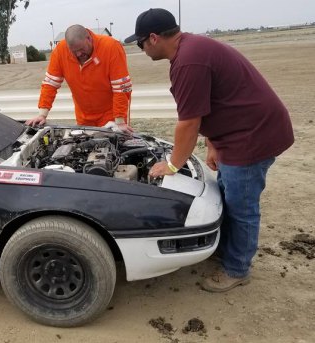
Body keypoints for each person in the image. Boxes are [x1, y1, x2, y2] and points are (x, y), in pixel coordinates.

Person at [126, 8, 294, 292]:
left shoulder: (189, 62)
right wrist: (213, 144)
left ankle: (237, 268)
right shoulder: (190, 50)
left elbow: (189, 123)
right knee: (227, 194)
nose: (140, 48)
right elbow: (214, 102)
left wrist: (171, 165)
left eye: (140, 43)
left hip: (252, 136)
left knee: (242, 207)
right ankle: (226, 249)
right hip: (238, 133)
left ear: (153, 38)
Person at [26, 25, 133, 134]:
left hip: (111, 115)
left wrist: (120, 121)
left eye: (81, 49)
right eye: (74, 51)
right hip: (83, 117)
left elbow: (121, 87)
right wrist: (42, 114)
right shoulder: (60, 51)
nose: (78, 54)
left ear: (89, 39)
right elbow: (50, 84)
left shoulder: (111, 47)